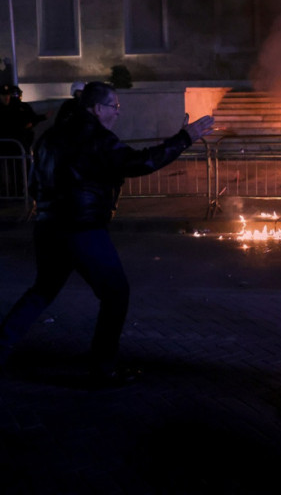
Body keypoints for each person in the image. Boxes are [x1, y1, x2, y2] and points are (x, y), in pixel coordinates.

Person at [0, 81, 215, 386]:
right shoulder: (97, 138)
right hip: (82, 229)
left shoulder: (48, 138)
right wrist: (185, 137)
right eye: (114, 106)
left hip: (48, 226)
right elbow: (140, 162)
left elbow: (34, 185)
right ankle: (103, 367)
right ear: (97, 108)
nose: (117, 113)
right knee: (115, 293)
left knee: (43, 290)